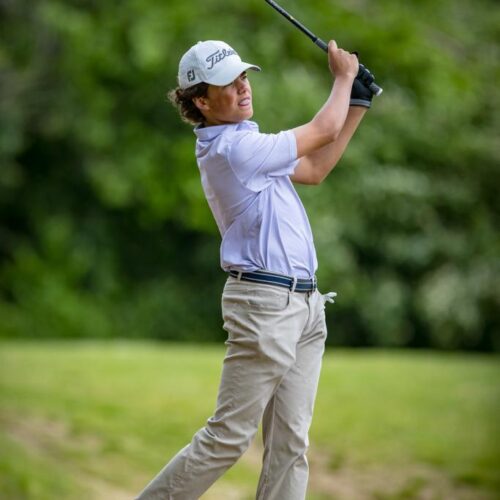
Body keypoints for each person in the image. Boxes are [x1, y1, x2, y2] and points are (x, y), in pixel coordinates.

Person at [136, 38, 373, 500]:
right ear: (201, 102)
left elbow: (317, 168)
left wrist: (358, 101)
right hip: (265, 308)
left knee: (290, 445)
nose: (243, 87)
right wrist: (343, 79)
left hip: (305, 306)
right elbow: (322, 129)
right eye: (229, 83)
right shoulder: (232, 152)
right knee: (226, 439)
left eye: (244, 76)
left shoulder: (247, 142)